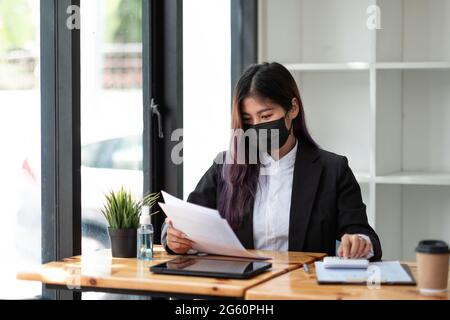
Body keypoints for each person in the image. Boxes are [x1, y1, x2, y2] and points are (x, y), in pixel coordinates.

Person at [161, 62, 382, 261]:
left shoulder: (333, 170)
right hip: (241, 296)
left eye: (266, 116)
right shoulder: (226, 166)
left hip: (302, 292)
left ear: (292, 109)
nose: (257, 126)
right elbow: (184, 220)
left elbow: (363, 234)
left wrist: (360, 243)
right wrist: (172, 238)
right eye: (248, 120)